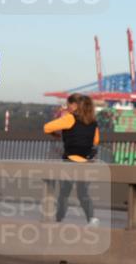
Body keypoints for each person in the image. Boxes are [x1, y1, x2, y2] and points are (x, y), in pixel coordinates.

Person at [43, 93, 101, 226]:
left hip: (70, 160)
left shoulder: (70, 119)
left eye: (68, 104)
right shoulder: (93, 122)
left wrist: (57, 134)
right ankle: (91, 219)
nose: (67, 107)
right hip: (87, 162)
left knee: (64, 192)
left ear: (74, 105)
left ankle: (58, 219)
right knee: (83, 193)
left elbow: (46, 127)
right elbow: (96, 140)